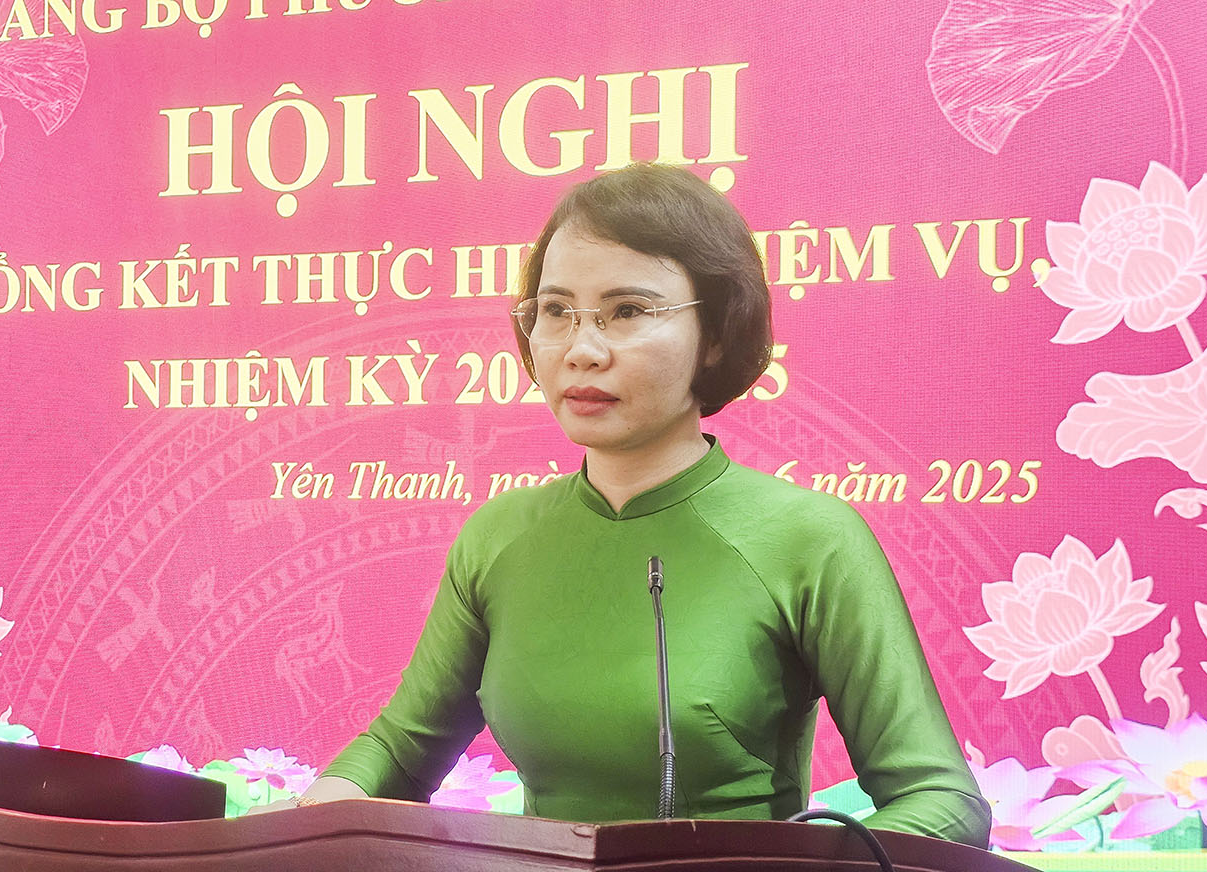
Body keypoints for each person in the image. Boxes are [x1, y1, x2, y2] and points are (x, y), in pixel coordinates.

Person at [257, 163, 991, 847]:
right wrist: (311, 820)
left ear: (715, 334)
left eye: (627, 310)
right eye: (556, 311)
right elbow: (399, 750)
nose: (582, 349)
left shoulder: (809, 538)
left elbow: (944, 803)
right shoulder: (499, 537)